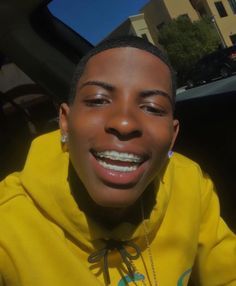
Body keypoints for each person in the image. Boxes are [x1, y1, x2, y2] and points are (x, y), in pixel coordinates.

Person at [0, 35, 236, 286]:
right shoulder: (8, 222)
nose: (124, 123)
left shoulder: (191, 183)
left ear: (172, 134)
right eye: (98, 100)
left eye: (153, 107)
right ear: (65, 122)